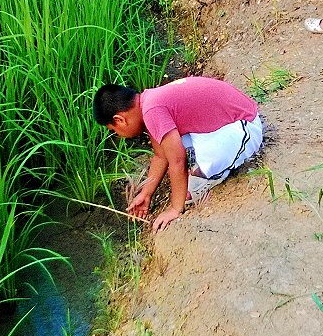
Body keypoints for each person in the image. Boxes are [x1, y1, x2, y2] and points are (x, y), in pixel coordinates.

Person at [93, 77, 263, 232]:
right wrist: (146, 193)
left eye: (114, 131)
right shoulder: (149, 102)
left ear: (119, 120)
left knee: (192, 177)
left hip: (246, 127)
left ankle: (211, 174)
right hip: (230, 122)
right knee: (173, 147)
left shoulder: (152, 110)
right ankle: (208, 166)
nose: (118, 135)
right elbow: (161, 155)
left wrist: (175, 208)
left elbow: (177, 161)